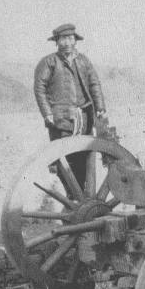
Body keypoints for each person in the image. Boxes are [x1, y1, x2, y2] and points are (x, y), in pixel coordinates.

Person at [34, 23, 106, 194]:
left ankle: (80, 195)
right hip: (61, 119)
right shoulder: (49, 62)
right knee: (64, 158)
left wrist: (100, 107)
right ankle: (72, 194)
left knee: (83, 155)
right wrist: (47, 113)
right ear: (57, 42)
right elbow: (39, 88)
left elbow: (94, 83)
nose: (66, 43)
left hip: (84, 116)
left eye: (70, 38)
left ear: (75, 40)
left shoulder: (83, 60)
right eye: (62, 39)